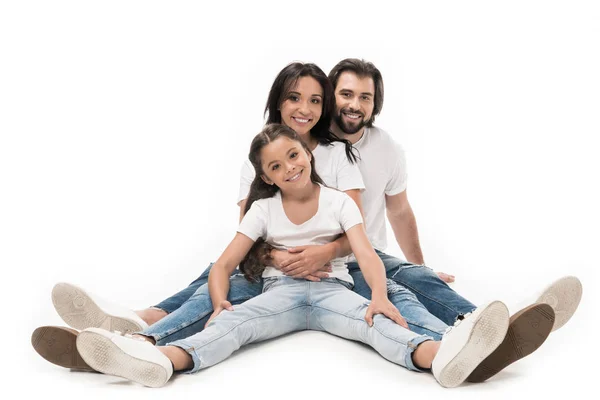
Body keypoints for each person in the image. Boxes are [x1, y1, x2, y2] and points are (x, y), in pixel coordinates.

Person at [33, 59, 580, 383]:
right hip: (279, 267)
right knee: (222, 282)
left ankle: (481, 332)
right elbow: (243, 234)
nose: (308, 108)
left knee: (411, 283)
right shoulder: (271, 153)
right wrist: (271, 255)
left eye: (317, 99)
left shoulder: (343, 154)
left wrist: (338, 255)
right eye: (299, 98)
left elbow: (370, 230)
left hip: (349, 261)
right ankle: (136, 331)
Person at [75, 124, 514, 389]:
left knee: (382, 324)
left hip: (334, 290)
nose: (289, 167)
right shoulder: (263, 210)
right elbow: (226, 264)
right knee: (231, 326)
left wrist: (378, 295)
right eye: (276, 167)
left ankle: (442, 356)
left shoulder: (339, 201)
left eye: (293, 155)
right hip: (280, 293)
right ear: (266, 177)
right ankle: (157, 359)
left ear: (307, 152)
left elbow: (367, 253)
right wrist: (220, 300)